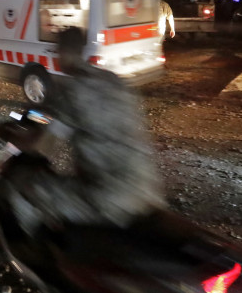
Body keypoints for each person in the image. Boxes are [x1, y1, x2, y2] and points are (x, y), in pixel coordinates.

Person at [13, 27, 165, 234]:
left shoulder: (72, 90)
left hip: (108, 196)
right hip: (147, 187)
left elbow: (44, 146)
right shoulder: (113, 79)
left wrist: (13, 138)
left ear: (60, 52)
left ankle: (29, 257)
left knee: (26, 189)